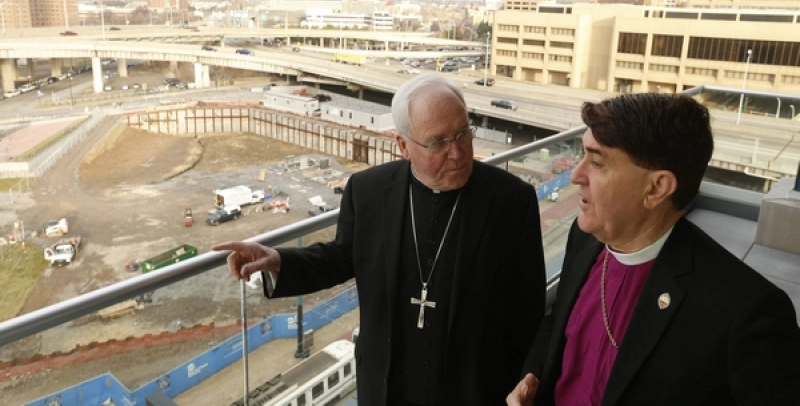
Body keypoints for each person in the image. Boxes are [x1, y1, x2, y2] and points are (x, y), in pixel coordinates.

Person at [214, 74, 545, 406]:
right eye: (438, 141)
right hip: (387, 386)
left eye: (463, 133)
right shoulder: (368, 191)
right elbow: (342, 256)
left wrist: (528, 377)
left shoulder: (512, 200)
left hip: (476, 389)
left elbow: (530, 307)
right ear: (403, 146)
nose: (457, 152)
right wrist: (278, 261)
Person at [507, 93, 800, 406]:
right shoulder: (584, 239)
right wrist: (532, 376)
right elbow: (558, 324)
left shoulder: (749, 314)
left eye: (596, 162)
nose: (575, 175)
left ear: (657, 188)